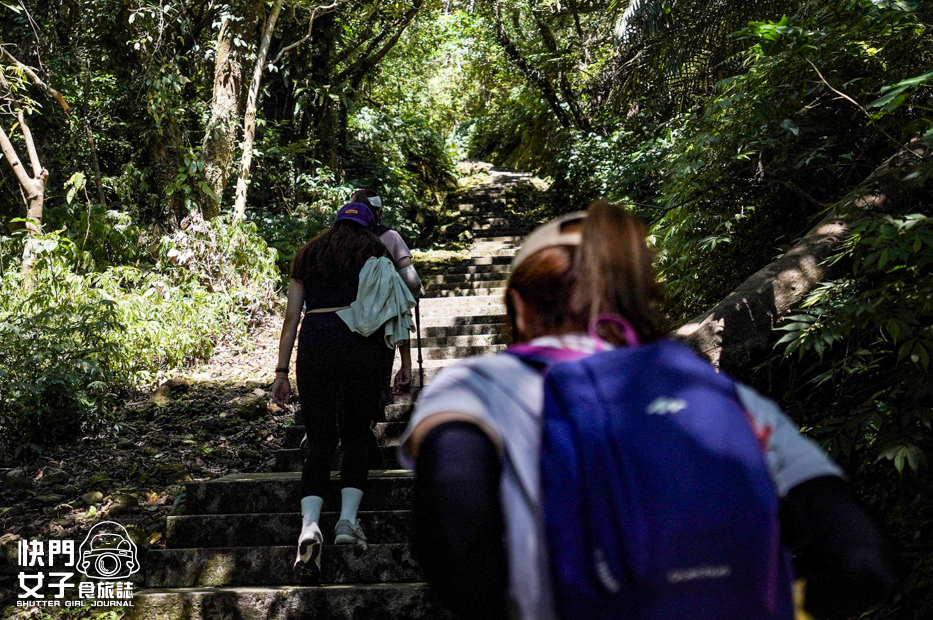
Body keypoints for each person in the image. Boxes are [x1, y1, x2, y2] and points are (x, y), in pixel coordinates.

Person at [399, 201, 897, 619]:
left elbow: (454, 535)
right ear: (636, 303)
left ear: (520, 307)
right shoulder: (717, 393)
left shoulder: (477, 384)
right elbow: (865, 564)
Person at [272, 201, 399, 579]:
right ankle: (346, 521)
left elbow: (291, 318)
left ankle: (310, 526)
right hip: (360, 343)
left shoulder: (308, 254)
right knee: (357, 434)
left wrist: (281, 372)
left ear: (335, 223)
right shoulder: (375, 252)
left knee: (320, 439)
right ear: (368, 226)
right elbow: (389, 310)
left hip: (316, 341)